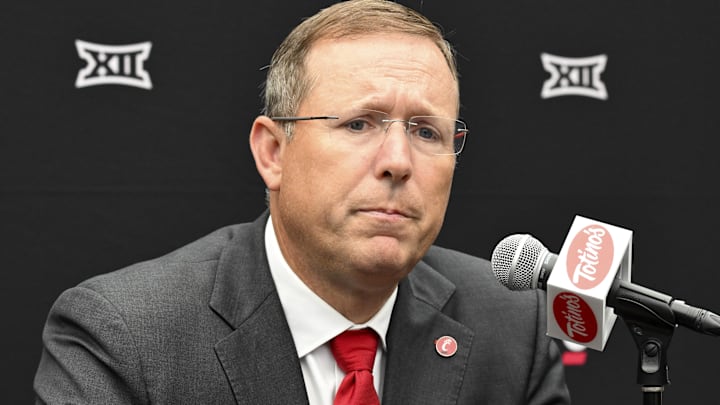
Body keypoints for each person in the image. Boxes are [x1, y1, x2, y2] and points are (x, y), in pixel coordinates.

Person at [34, 0, 571, 403]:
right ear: (273, 152)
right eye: (359, 123)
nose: (398, 161)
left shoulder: (513, 329)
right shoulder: (127, 335)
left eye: (426, 132)